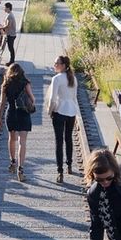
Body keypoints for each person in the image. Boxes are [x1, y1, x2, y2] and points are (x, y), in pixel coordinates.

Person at [0, 63, 35, 183]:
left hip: (11, 113)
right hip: (23, 114)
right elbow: (32, 99)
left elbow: (2, 103)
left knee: (12, 139)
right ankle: (20, 169)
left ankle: (12, 161)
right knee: (22, 142)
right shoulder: (25, 83)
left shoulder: (6, 84)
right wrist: (30, 104)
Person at [44, 55, 77, 183]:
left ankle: (60, 171)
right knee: (68, 138)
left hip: (60, 111)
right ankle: (69, 165)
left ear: (63, 65)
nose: (54, 65)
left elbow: (52, 99)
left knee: (59, 141)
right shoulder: (73, 78)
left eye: (56, 63)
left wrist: (49, 111)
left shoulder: (56, 79)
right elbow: (74, 98)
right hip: (71, 112)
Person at [1, 2, 17, 66]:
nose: (4, 9)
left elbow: (8, 26)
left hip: (11, 34)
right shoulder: (10, 14)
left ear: (8, 8)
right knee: (10, 47)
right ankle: (12, 60)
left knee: (11, 48)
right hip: (10, 34)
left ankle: (12, 61)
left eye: (5, 7)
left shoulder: (10, 16)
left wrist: (2, 28)